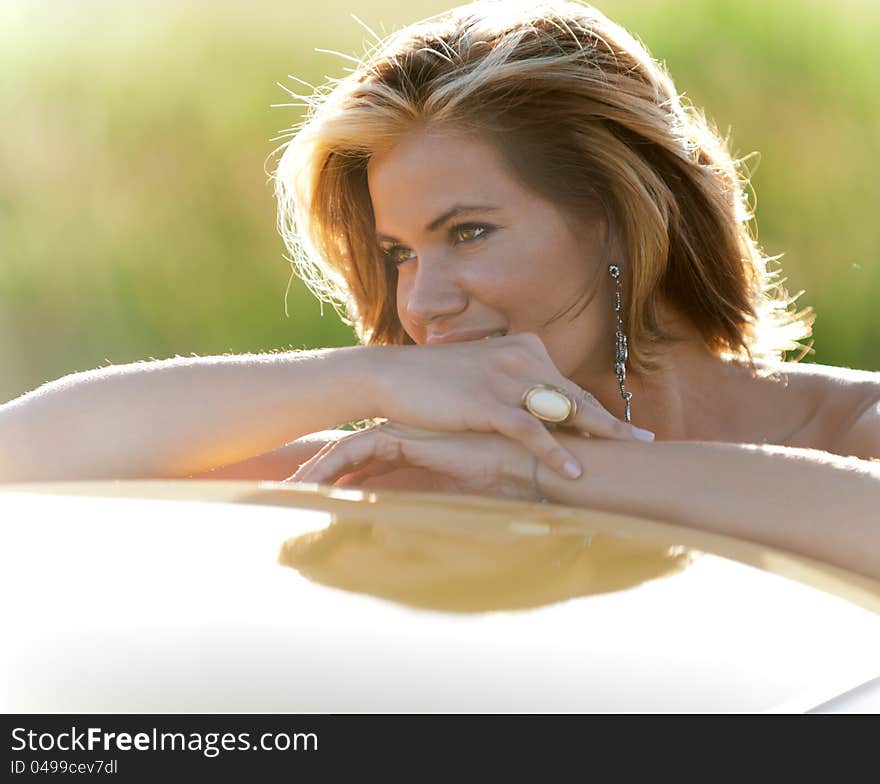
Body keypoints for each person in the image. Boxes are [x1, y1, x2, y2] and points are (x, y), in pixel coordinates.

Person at [0, 0, 878, 580]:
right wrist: (357, 380)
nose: (421, 305)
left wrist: (549, 476)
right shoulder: (427, 469)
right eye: (398, 254)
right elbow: (22, 455)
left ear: (615, 214)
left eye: (468, 233)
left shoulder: (846, 432)